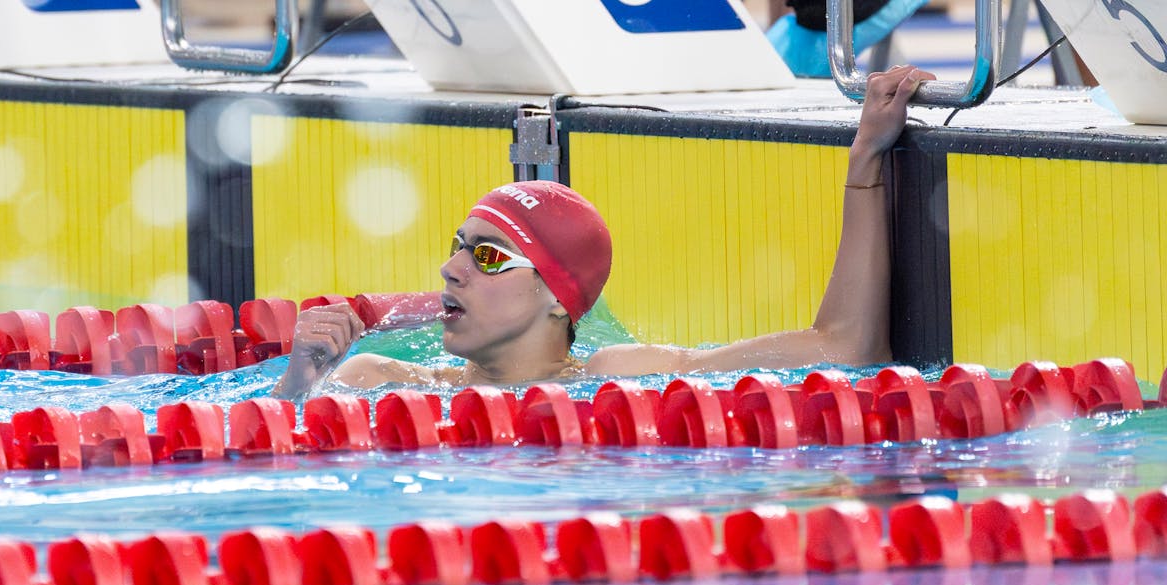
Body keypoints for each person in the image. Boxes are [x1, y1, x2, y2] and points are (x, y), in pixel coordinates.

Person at [272, 65, 936, 401]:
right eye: (455, 248)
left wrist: (866, 163)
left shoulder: (618, 377)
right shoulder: (378, 379)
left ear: (560, 294)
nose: (452, 270)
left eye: (488, 255)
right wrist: (297, 384)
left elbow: (846, 348)